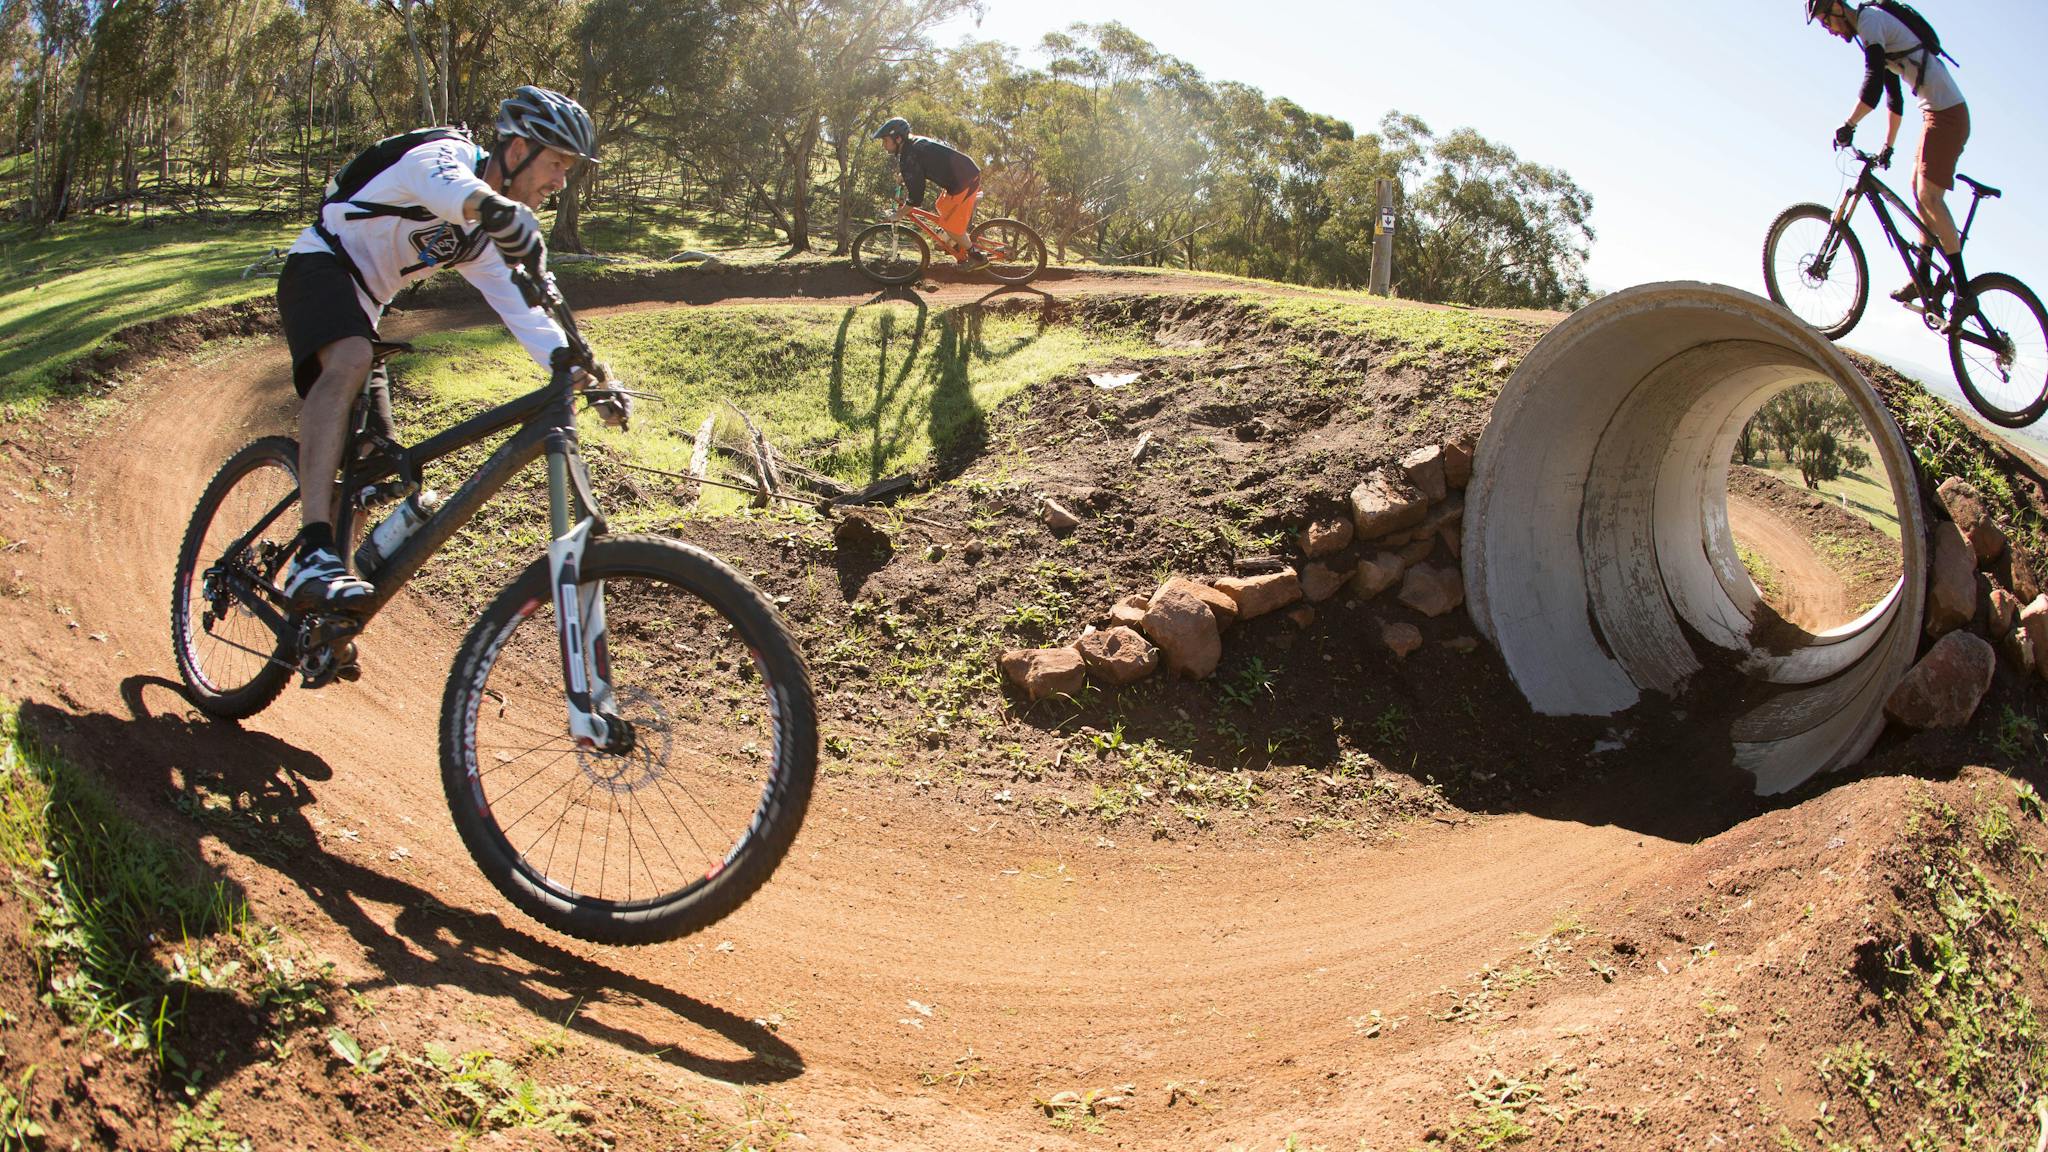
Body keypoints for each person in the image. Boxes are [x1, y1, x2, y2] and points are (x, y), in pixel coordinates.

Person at [275, 84, 628, 611]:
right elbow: (444, 186)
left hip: (366, 309)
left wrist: (585, 373)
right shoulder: (445, 156)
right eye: (556, 164)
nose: (560, 182)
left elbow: (528, 314)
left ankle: (328, 603)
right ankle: (313, 552)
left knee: (376, 466)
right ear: (516, 151)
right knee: (349, 358)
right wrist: (498, 212)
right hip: (320, 265)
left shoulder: (482, 238)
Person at [1807, 0, 1971, 311]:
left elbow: (1872, 86)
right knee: (1918, 192)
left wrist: (1848, 125)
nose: (1828, 30)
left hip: (1947, 114)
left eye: (1826, 21)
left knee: (1930, 196)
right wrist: (1888, 146)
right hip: (1935, 113)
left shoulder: (1870, 22)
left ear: (1838, 8)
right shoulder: (1870, 32)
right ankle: (1923, 277)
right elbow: (1893, 98)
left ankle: (1964, 293)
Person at [871, 117, 988, 270]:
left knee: (952, 227)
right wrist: (905, 176)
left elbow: (916, 197)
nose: (883, 145)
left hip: (965, 181)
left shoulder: (910, 154)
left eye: (885, 140)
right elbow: (919, 166)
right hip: (958, 180)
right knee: (940, 205)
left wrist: (899, 214)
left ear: (898, 139)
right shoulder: (912, 146)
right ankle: (958, 239)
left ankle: (977, 257)